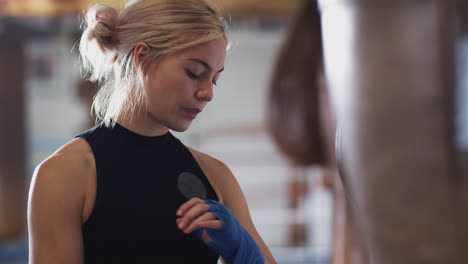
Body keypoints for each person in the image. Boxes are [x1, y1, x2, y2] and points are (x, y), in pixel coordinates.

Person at [27, 0, 276, 263]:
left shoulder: (216, 177)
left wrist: (243, 252)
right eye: (195, 73)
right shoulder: (64, 174)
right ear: (142, 57)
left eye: (214, 79)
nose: (208, 93)